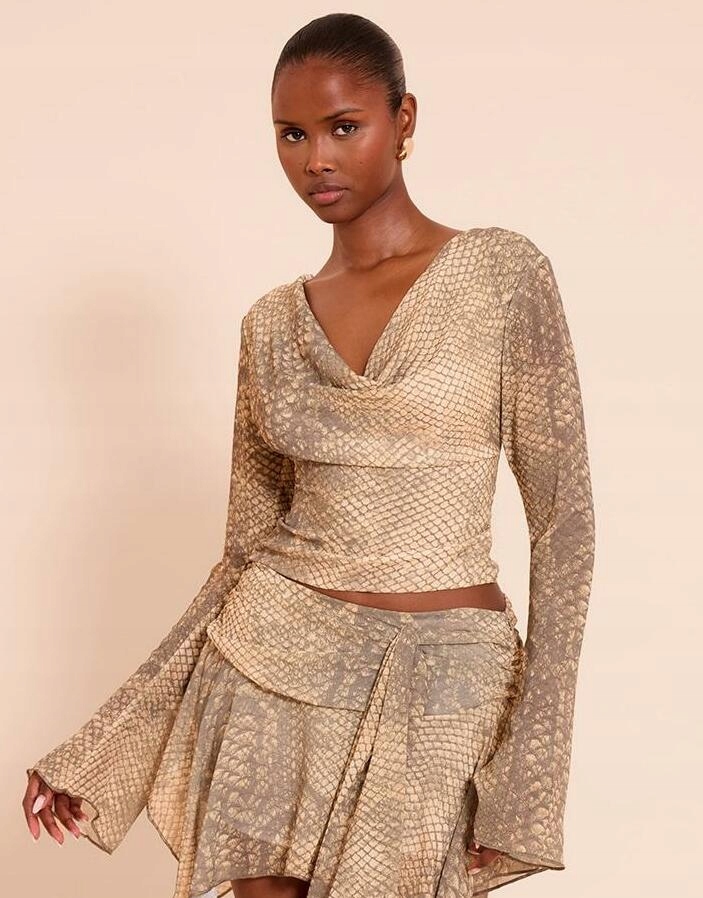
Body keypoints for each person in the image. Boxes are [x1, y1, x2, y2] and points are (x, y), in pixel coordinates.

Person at [22, 12, 595, 898]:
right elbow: (242, 558)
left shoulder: (500, 275)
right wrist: (104, 744)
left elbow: (565, 524)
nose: (315, 159)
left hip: (446, 680)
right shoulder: (270, 327)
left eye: (342, 127)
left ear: (403, 120)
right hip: (269, 668)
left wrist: (533, 771)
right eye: (291, 134)